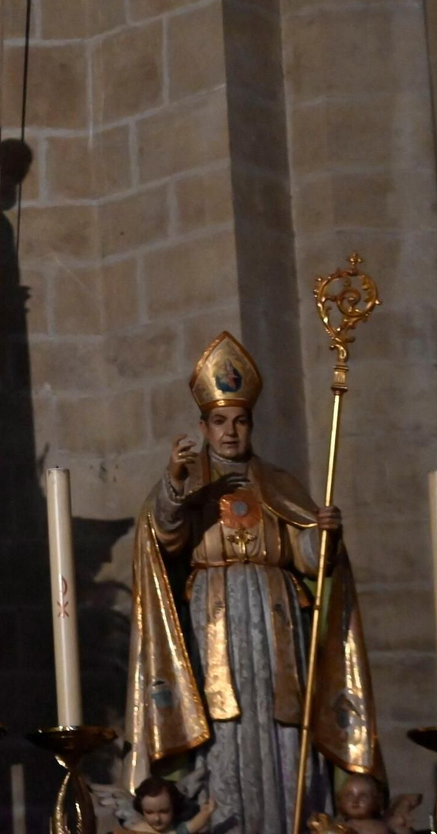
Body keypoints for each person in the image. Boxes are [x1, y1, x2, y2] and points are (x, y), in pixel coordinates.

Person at [123, 332, 379, 832]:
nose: (231, 432)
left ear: (251, 426)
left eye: (240, 421)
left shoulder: (278, 483)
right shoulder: (188, 480)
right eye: (220, 421)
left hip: (277, 616)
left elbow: (305, 557)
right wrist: (174, 485)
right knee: (224, 722)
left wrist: (323, 537)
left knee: (282, 722)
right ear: (203, 426)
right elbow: (165, 537)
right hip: (213, 620)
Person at [118, 777, 215, 834]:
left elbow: (193, 825)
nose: (157, 818)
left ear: (173, 807)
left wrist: (206, 812)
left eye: (164, 811)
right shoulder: (138, 830)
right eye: (149, 812)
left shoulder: (176, 830)